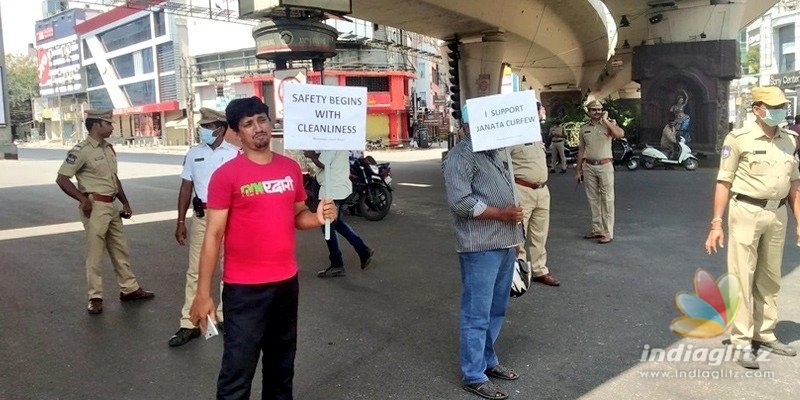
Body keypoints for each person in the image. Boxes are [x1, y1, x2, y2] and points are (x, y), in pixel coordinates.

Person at [188, 97, 336, 399]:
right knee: (237, 373)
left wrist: (319, 216)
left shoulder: (290, 168)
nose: (258, 128)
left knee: (281, 369)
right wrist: (203, 295)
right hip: (244, 290)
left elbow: (298, 216)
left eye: (262, 119)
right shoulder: (226, 176)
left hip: (285, 284)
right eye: (248, 124)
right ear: (236, 134)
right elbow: (213, 236)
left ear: (271, 123)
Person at [704, 86, 800, 369]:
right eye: (773, 106)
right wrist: (716, 224)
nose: (780, 110)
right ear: (757, 109)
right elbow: (724, 181)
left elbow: (794, 184)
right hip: (745, 210)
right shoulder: (738, 139)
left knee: (771, 277)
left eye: (782, 105)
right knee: (742, 276)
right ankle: (742, 340)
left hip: (777, 212)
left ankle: (765, 332)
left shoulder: (790, 141)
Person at [443, 104, 524, 400]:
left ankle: (488, 361)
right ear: (466, 127)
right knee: (477, 313)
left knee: (496, 310)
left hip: (503, 243)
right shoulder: (460, 158)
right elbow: (461, 203)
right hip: (480, 247)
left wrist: (515, 235)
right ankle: (473, 375)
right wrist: (502, 214)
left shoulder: (492, 154)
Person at [55, 109, 155, 314]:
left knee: (120, 248)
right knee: (95, 252)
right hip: (95, 207)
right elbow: (62, 179)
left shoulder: (109, 149)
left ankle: (129, 289)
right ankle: (95, 297)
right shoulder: (81, 150)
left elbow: (114, 179)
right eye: (108, 124)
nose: (112, 127)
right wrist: (83, 199)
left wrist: (125, 203)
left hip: (112, 205)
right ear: (96, 125)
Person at [169, 108, 239, 347]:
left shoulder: (235, 154)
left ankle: (223, 317)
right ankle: (189, 323)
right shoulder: (193, 154)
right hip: (202, 217)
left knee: (228, 269)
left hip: (230, 217)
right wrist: (180, 221)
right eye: (203, 126)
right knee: (196, 270)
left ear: (221, 128)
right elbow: (185, 188)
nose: (204, 130)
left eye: (208, 127)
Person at [304, 150, 374, 278]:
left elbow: (322, 163)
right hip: (338, 188)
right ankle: (363, 250)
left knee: (328, 227)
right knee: (335, 223)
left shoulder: (331, 143)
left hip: (332, 189)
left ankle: (338, 264)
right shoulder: (336, 141)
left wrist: (311, 155)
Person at [506, 142, 561, 287]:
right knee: (518, 234)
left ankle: (539, 270)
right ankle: (519, 274)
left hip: (542, 190)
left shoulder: (537, 138)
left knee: (540, 233)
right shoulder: (510, 139)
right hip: (521, 189)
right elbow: (499, 162)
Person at [575, 100, 624, 244]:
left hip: (605, 165)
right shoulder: (584, 128)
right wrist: (578, 170)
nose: (597, 112)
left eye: (600, 109)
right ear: (588, 112)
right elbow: (581, 150)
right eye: (594, 110)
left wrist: (606, 121)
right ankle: (597, 229)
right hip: (588, 166)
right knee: (593, 199)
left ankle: (608, 232)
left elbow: (620, 134)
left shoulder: (608, 124)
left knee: (607, 199)